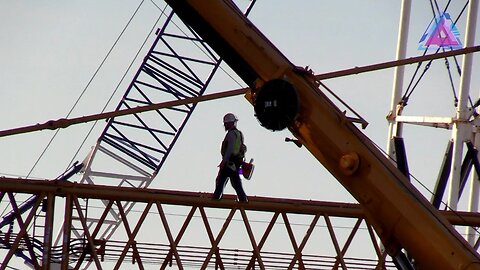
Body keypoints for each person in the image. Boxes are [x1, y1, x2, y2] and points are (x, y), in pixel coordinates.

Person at [212, 113, 248, 202]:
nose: (224, 125)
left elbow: (230, 149)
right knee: (235, 183)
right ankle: (243, 199)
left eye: (225, 123)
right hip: (236, 162)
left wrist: (224, 162)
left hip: (230, 162)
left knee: (221, 181)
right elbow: (242, 147)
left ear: (229, 123)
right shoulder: (238, 134)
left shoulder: (231, 134)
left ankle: (216, 198)